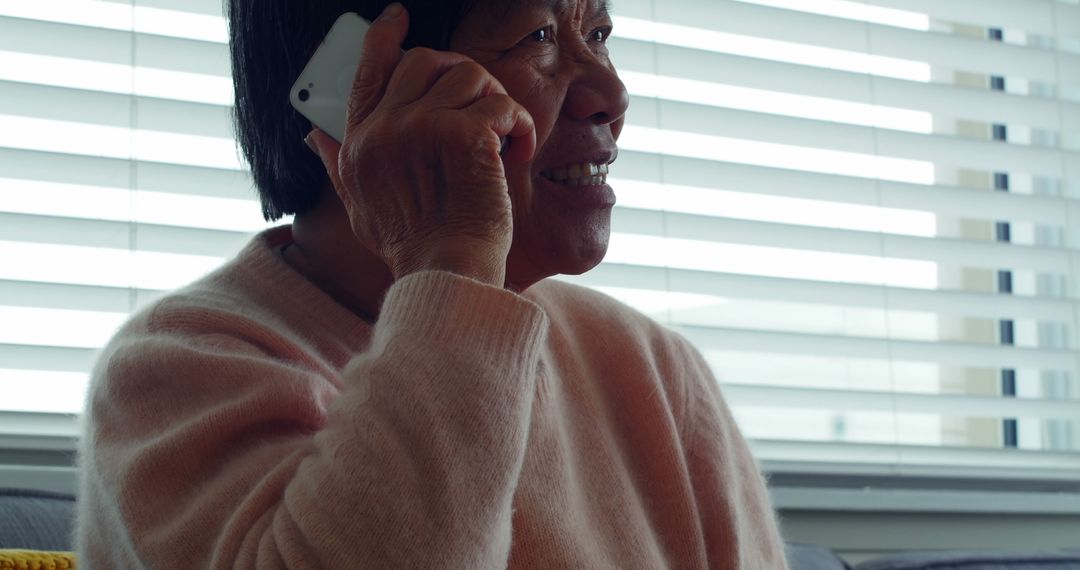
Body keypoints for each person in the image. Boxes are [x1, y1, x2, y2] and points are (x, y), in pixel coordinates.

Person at [75, 0, 789, 567]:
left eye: (597, 31)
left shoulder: (655, 371)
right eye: (538, 32)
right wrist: (452, 261)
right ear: (358, 84)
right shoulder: (177, 371)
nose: (611, 93)